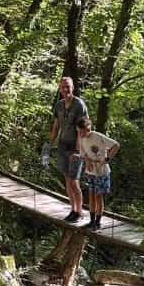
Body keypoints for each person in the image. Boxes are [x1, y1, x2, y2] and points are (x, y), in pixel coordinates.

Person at [48, 76, 88, 222]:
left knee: (74, 180)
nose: (66, 90)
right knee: (67, 178)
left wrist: (78, 151)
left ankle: (80, 211)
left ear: (73, 88)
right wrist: (49, 143)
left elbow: (82, 130)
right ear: (60, 88)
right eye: (63, 87)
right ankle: (73, 209)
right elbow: (56, 125)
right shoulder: (59, 105)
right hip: (62, 145)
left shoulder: (79, 105)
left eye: (68, 87)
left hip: (75, 148)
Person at [75, 116, 119, 229]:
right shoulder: (81, 139)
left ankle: (98, 223)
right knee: (91, 196)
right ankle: (92, 221)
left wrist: (107, 159)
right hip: (91, 172)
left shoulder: (97, 136)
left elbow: (116, 145)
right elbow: (83, 153)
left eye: (81, 131)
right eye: (78, 131)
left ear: (87, 129)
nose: (79, 134)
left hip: (102, 171)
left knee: (98, 197)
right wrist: (88, 161)